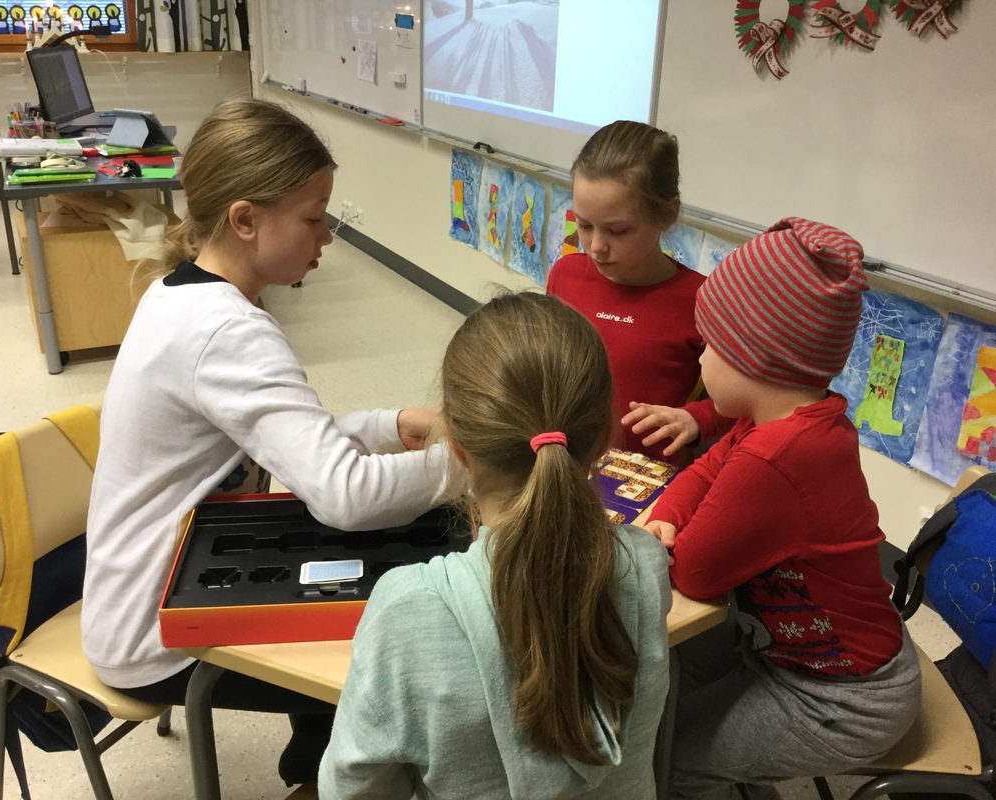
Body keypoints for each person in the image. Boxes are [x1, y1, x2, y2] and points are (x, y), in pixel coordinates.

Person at [81, 97, 463, 792]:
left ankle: (312, 771)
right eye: (313, 218)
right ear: (245, 219)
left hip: (147, 584)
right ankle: (323, 779)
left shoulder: (183, 294)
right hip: (154, 629)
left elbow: (281, 438)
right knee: (390, 664)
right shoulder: (229, 331)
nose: (326, 237)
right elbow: (345, 494)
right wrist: (474, 462)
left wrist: (389, 425)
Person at [318, 291, 673, 800]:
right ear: (604, 442)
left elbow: (352, 791)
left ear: (457, 450)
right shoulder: (644, 564)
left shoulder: (407, 610)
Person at [644, 218, 922, 800]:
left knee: (667, 759)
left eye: (710, 345)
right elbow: (706, 469)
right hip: (795, 654)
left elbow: (693, 571)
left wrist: (667, 537)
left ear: (755, 357)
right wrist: (667, 515)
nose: (701, 361)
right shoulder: (787, 418)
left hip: (842, 700)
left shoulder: (776, 456)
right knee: (661, 696)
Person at [546, 120, 733, 463]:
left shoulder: (702, 299)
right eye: (584, 225)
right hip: (560, 464)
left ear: (667, 214)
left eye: (618, 231)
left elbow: (749, 401)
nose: (596, 246)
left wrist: (698, 419)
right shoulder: (565, 275)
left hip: (648, 479)